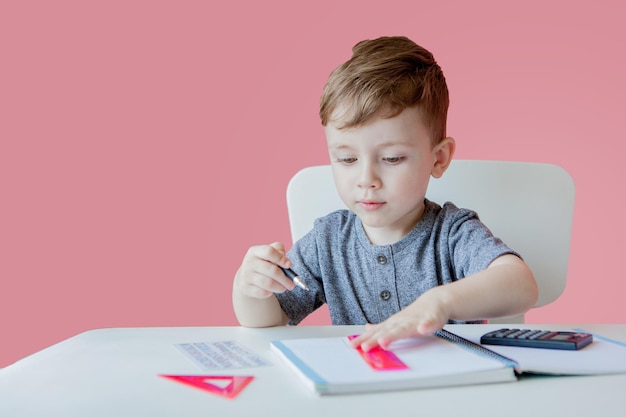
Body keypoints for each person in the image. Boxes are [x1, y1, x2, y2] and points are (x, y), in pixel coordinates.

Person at [232, 36, 538, 351]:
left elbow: (521, 285)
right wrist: (250, 289)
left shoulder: (453, 234)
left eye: (392, 159)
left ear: (439, 158)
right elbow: (272, 320)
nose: (367, 179)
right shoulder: (328, 240)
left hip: (449, 392)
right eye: (347, 159)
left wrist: (440, 303)